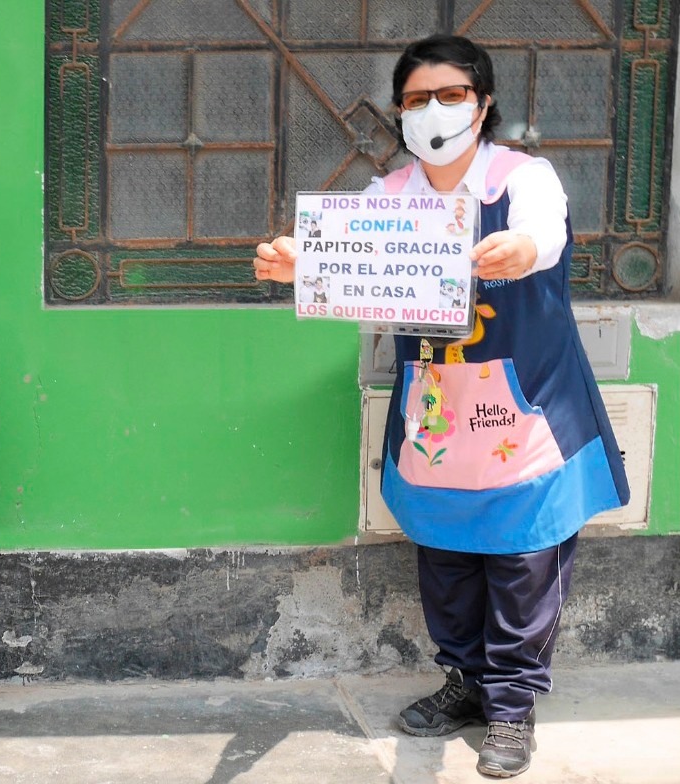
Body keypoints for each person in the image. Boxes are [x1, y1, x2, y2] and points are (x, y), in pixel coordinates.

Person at [253, 35, 628, 779]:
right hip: (435, 412)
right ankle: (463, 682)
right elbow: (348, 271)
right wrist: (302, 266)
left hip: (524, 412)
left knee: (524, 564)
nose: (433, 110)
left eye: (451, 94)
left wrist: (522, 249)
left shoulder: (523, 179)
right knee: (447, 563)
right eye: (418, 98)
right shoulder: (386, 197)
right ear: (400, 111)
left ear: (483, 104)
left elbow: (544, 234)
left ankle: (512, 708)